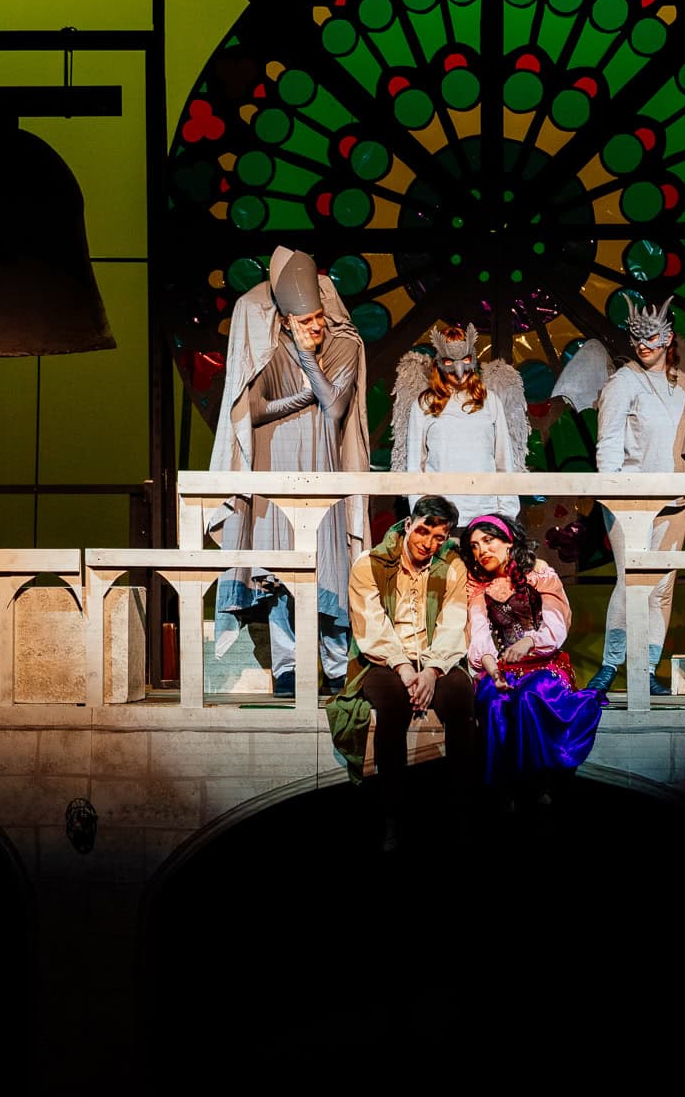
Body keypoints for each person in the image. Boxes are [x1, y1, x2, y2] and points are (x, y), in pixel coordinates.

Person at [207, 246, 370, 698]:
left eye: (318, 317)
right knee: (279, 573)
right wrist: (303, 395)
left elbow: (335, 407)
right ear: (284, 320)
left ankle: (335, 666)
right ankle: (288, 668)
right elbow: (253, 409)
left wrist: (307, 357)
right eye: (305, 321)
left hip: (323, 467)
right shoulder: (267, 349)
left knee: (329, 568)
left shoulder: (344, 344)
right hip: (274, 465)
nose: (315, 327)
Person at [329, 495, 477, 852]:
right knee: (393, 706)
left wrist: (432, 671)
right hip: (383, 660)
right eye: (423, 532)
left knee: (461, 698)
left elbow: (454, 623)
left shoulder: (451, 566)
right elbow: (371, 625)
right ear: (409, 524)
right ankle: (392, 815)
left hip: (436, 659)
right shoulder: (371, 563)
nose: (429, 543)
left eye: (439, 537)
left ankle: (462, 811)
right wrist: (404, 667)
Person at [586, 299, 685, 696]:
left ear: (668, 337)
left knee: (661, 587)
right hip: (630, 502)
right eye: (636, 337)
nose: (643, 344)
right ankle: (611, 664)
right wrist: (613, 492)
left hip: (674, 500)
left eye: (651, 337)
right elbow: (609, 441)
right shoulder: (623, 383)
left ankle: (646, 669)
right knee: (632, 580)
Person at [462, 513, 603, 805]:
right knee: (491, 697)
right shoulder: (478, 586)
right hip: (503, 667)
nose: (481, 550)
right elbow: (478, 633)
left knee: (530, 696)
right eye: (475, 546)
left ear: (508, 542)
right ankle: (501, 793)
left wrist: (529, 642)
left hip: (545, 663)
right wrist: (493, 671)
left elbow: (557, 620)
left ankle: (541, 785)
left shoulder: (538, 572)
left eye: (488, 541)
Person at [391, 322, 527, 521]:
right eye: (450, 362)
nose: (459, 370)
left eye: (465, 360)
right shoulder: (424, 404)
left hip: (486, 514)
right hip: (441, 516)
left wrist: (506, 514)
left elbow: (503, 460)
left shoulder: (490, 401)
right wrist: (423, 514)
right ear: (439, 362)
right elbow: (415, 465)